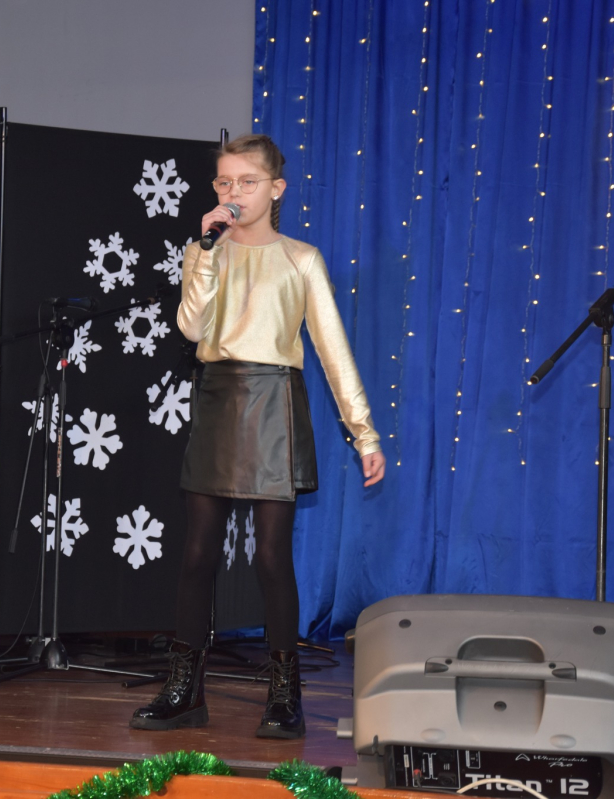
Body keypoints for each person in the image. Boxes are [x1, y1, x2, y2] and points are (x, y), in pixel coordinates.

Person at [131, 134, 385, 739]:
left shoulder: (302, 259)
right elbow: (192, 328)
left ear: (276, 189)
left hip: (273, 404)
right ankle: (185, 690)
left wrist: (364, 433)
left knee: (271, 557)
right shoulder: (206, 251)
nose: (233, 192)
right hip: (219, 397)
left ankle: (284, 694)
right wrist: (203, 252)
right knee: (197, 554)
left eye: (246, 181)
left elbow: (332, 349)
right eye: (224, 182)